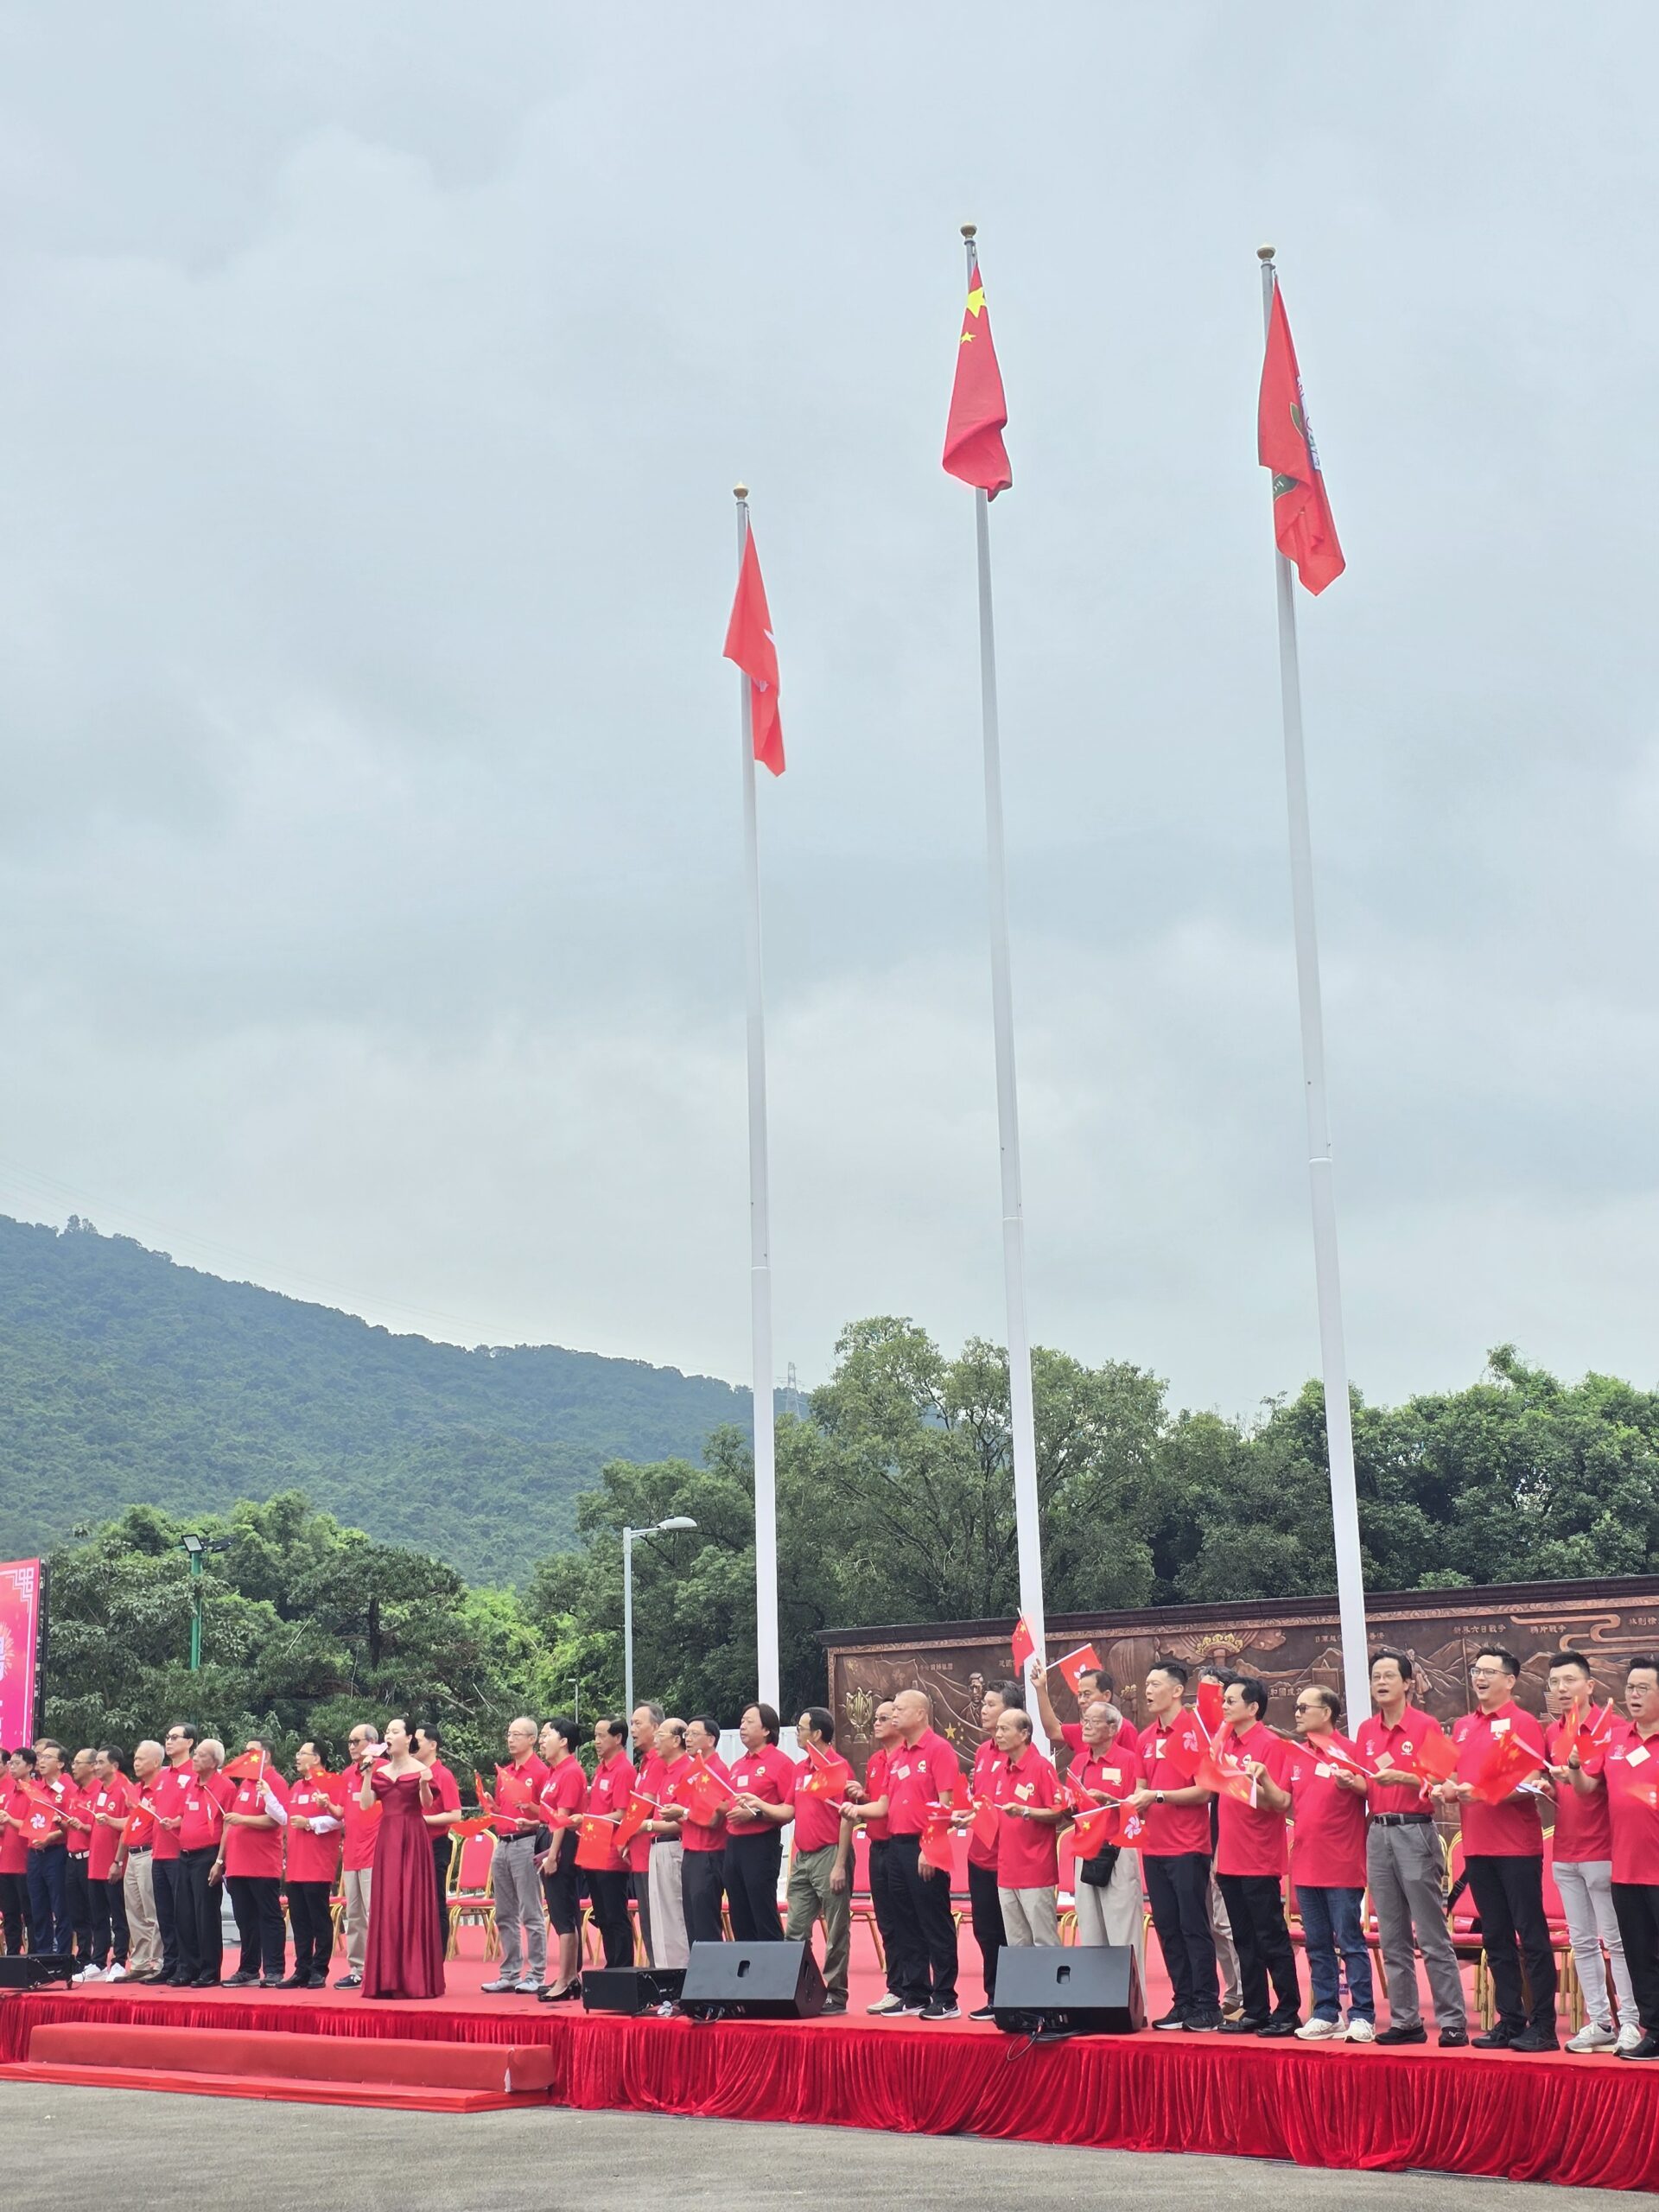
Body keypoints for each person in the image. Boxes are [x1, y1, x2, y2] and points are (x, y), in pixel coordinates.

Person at [1438, 1645, 1557, 2050]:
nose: (1480, 1677)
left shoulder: (1522, 1723)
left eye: (1489, 1671)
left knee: (1532, 1936)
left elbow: (1530, 1782)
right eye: (1476, 1670)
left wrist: (1483, 1793)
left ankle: (1542, 2025)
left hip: (1517, 1848)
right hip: (1478, 1847)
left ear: (1511, 1679)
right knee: (1497, 1939)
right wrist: (1450, 1789)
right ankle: (1510, 2020)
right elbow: (1455, 1775)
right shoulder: (1463, 1726)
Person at [1357, 1648, 1467, 2046]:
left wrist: (1403, 1779)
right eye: (1375, 1677)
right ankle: (1405, 2020)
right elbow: (1365, 1781)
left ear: (1407, 1683)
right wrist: (1345, 1779)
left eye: (1389, 1676)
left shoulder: (1425, 1725)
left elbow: (1442, 1779)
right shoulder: (1366, 1731)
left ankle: (1452, 2020)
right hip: (1378, 1832)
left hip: (1414, 1829)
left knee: (1432, 1933)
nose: (1381, 1683)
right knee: (1391, 1934)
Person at [1544, 1650, 1641, 2053]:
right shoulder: (1553, 1732)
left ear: (1590, 1685)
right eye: (1554, 1683)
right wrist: (1549, 1788)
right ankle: (1599, 2020)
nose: (1561, 1689)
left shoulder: (1615, 1729)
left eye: (1569, 1681)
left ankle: (1633, 2022)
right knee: (1581, 1942)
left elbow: (1598, 1789)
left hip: (1604, 1850)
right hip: (1565, 1850)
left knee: (1617, 1942)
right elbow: (1568, 1792)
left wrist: (1577, 1773)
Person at [1567, 1655, 1659, 2061]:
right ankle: (1653, 2031)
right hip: (1625, 1869)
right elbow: (1589, 1787)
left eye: (1643, 1688)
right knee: (1640, 1956)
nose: (1633, 1695)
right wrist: (1573, 1768)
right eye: (1630, 1688)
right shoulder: (1618, 1739)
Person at [1280, 1686, 1375, 2044]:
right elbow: (1285, 1801)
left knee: (1350, 1942)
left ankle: (1362, 2015)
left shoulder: (1348, 1752)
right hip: (1305, 1863)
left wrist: (1354, 1783)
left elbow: (1372, 1791)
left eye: (1304, 1707)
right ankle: (1325, 2012)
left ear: (1327, 1713)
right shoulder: (1298, 1755)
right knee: (1317, 1944)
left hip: (1342, 1865)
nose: (1298, 1713)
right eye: (1296, 1706)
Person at [1133, 1660, 1220, 2032]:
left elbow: (1205, 1790)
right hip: (1154, 1849)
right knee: (1167, 1928)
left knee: (1193, 1926)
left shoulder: (1194, 1731)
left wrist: (1159, 1796)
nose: (1148, 1691)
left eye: (1155, 1684)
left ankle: (1207, 2004)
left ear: (1176, 1691)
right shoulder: (1144, 1737)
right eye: (1146, 1684)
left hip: (1188, 1846)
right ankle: (1182, 2002)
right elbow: (1140, 1790)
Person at [1212, 1675, 1300, 2036]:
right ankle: (1255, 2008)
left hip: (1258, 1857)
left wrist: (1256, 1781)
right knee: (1242, 1938)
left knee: (1270, 1937)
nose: (1224, 1705)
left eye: (1231, 1700)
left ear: (1253, 1707)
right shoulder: (1224, 1743)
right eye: (1224, 1700)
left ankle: (1288, 2009)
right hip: (1229, 1856)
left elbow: (1279, 1803)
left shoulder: (1270, 1745)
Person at [884, 1688, 963, 2020]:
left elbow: (945, 1803)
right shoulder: (898, 1755)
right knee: (905, 1924)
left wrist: (929, 1848)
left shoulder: (938, 1749)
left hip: (924, 1845)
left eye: (900, 1708)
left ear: (920, 1713)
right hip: (896, 1846)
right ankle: (915, 1992)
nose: (894, 1714)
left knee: (934, 1922)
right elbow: (890, 1802)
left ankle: (946, 1996)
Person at [361, 1719, 446, 1999]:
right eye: (387, 1731)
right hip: (388, 1837)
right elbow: (365, 1804)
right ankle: (385, 1977)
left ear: (409, 1738)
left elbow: (426, 1804)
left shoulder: (422, 1769)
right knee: (387, 1903)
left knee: (412, 1900)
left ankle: (414, 1977)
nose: (389, 1735)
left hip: (413, 1835)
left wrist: (423, 1784)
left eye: (395, 1731)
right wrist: (365, 1773)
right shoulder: (380, 1771)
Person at [1067, 1699, 1146, 1980]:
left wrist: (1113, 1801)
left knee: (1124, 1932)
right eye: (1084, 1720)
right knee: (1090, 1931)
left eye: (1093, 1721)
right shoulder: (1078, 1762)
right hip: (1086, 1851)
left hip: (1118, 1850)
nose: (1085, 1726)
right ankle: (1097, 2002)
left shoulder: (1129, 1760)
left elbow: (1140, 1808)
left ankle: (1134, 2005)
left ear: (1113, 1728)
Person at [782, 1707, 854, 2012]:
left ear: (817, 1734)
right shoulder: (800, 1769)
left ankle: (836, 1993)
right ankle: (800, 1988)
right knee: (795, 1928)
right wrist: (757, 1806)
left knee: (836, 1927)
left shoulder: (837, 1767)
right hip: (803, 1857)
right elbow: (788, 1811)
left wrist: (839, 1863)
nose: (797, 1732)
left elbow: (847, 1818)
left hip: (829, 1854)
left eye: (801, 1728)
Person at [842, 1700, 911, 2015]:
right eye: (877, 1718)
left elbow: (891, 1805)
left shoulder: (906, 1757)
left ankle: (915, 1988)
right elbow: (878, 1802)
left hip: (902, 1846)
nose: (877, 1722)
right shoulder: (875, 1760)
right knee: (887, 1923)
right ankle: (896, 1988)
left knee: (907, 1920)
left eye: (885, 1717)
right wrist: (862, 1797)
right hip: (878, 1848)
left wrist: (860, 1808)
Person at [962, 1681, 1020, 2018]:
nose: (983, 1710)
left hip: (1008, 1859)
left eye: (990, 1704)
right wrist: (965, 1815)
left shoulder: (1021, 1755)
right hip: (979, 1854)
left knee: (1010, 1929)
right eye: (983, 1704)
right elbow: (983, 1802)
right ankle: (995, 1995)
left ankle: (1016, 1995)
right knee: (985, 1929)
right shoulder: (983, 1752)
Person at [481, 1716, 550, 1994]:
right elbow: (503, 1808)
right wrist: (491, 1805)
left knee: (530, 1911)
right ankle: (510, 1972)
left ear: (532, 1739)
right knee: (504, 1912)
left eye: (517, 1735)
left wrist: (532, 1818)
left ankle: (536, 1973)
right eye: (509, 1734)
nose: (511, 1739)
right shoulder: (505, 1772)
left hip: (526, 1842)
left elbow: (548, 1815)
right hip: (503, 1842)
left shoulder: (542, 1771)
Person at [989, 1707, 1065, 1949]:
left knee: (1044, 1942)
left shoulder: (1040, 1767)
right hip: (1006, 1871)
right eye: (997, 1729)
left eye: (1004, 1729)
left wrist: (1025, 1811)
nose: (997, 1734)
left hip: (1035, 1872)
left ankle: (1053, 1988)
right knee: (1017, 1943)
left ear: (1023, 1734)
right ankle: (1025, 1989)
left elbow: (1058, 1813)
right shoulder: (1001, 1770)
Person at [1192, 1664, 1243, 2017]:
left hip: (1231, 1841)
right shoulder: (1198, 1733)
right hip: (1201, 1840)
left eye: (1216, 1694)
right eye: (1203, 1693)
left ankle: (1243, 1994)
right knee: (1212, 1923)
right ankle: (1231, 1991)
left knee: (1227, 1923)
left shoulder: (1232, 1738)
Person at [218, 1739, 289, 1987]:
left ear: (265, 1755)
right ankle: (248, 1968)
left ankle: (274, 1969)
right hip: (238, 1863)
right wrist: (222, 1859)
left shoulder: (274, 1782)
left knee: (268, 1916)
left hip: (261, 1862)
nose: (247, 1755)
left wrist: (242, 1819)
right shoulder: (246, 1784)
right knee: (244, 1919)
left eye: (252, 1752)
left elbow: (274, 1821)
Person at [725, 1702, 795, 1942]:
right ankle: (746, 1971)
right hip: (734, 1844)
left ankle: (773, 1971)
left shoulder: (781, 1763)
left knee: (762, 1910)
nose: (742, 1726)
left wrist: (756, 1814)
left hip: (761, 1844)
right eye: (742, 1722)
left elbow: (789, 1810)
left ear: (766, 1729)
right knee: (739, 1913)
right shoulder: (737, 1765)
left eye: (749, 1722)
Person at [536, 1716, 588, 2001]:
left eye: (547, 1735)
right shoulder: (553, 1772)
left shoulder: (570, 1772)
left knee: (564, 1913)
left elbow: (563, 1818)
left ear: (564, 1740)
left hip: (563, 1841)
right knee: (558, 1911)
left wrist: (553, 1855)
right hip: (550, 1837)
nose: (542, 1741)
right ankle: (566, 1976)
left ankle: (568, 1978)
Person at [283, 1743, 342, 1989]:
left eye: (302, 1754)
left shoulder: (332, 1783)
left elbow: (339, 1819)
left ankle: (319, 1969)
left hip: (317, 1863)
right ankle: (302, 1969)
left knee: (319, 1919)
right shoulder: (296, 1787)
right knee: (299, 1920)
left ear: (316, 1758)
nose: (297, 1757)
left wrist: (309, 1822)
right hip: (296, 1863)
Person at [176, 1738, 233, 1986]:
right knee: (185, 1914)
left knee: (205, 1915)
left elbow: (228, 1825)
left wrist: (219, 1861)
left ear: (214, 1762)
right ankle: (189, 1967)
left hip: (207, 1856)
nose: (195, 1759)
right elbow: (187, 1815)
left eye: (200, 1755)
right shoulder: (192, 1784)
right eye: (195, 1754)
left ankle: (210, 1970)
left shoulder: (225, 1787)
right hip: (184, 1854)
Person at [673, 1713, 729, 1952]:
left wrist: (685, 1813)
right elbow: (678, 1803)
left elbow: (714, 1817)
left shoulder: (717, 1770)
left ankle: (713, 1982)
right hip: (690, 1850)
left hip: (709, 1853)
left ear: (711, 1739)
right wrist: (681, 1812)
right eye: (687, 1734)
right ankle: (699, 1976)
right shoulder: (693, 1770)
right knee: (692, 1920)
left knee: (706, 1922)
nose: (688, 1739)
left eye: (695, 1734)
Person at [149, 1723, 199, 1984]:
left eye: (174, 1737)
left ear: (189, 1742)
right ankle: (169, 1963)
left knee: (182, 1914)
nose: (168, 1742)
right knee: (164, 1914)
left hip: (180, 1853)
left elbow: (195, 1809)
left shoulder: (194, 1773)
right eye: (166, 1737)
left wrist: (177, 1821)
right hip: (158, 1853)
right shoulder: (162, 1775)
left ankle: (185, 1965)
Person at [586, 1716, 637, 1968]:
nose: (596, 1741)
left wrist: (589, 1819)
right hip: (594, 1847)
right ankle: (611, 1965)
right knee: (602, 1915)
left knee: (615, 1914)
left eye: (601, 1736)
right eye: (595, 1736)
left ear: (617, 1738)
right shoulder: (600, 1769)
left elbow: (622, 1812)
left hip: (611, 1851)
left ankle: (622, 1967)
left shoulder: (624, 1770)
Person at [643, 1716, 692, 1974]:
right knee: (659, 1915)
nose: (655, 1740)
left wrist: (648, 1826)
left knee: (675, 1914)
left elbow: (684, 1820)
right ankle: (664, 1975)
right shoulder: (665, 1771)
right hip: (657, 1847)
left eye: (660, 1735)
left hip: (674, 1846)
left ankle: (680, 1975)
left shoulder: (687, 1770)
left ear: (676, 1740)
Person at [334, 1722, 379, 1989]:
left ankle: (379, 1966)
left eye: (356, 1741)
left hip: (375, 1852)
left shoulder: (383, 1770)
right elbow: (343, 1811)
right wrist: (327, 1806)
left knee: (375, 1912)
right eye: (349, 1742)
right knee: (354, 1914)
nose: (352, 1746)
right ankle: (357, 1968)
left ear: (372, 1742)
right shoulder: (347, 1773)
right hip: (352, 1854)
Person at [85, 1746, 134, 1982]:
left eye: (100, 1762)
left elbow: (130, 1827)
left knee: (119, 1917)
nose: (96, 1767)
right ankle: (98, 1962)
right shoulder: (99, 1792)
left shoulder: (125, 1789)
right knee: (98, 1917)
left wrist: (118, 1861)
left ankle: (120, 1961)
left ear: (114, 1765)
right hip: (95, 1864)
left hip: (114, 1865)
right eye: (95, 1763)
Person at [118, 1739, 163, 1982]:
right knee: (134, 1910)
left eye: (141, 1759)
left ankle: (158, 1961)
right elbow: (128, 1825)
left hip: (150, 1853)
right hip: (133, 1855)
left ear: (156, 1762)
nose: (135, 1763)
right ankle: (140, 1962)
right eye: (135, 1758)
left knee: (152, 1909)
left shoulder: (161, 1788)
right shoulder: (137, 1789)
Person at [1031, 1661, 1141, 1760]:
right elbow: (1053, 1731)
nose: (1081, 1701)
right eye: (1080, 1695)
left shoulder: (1124, 1729)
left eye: (1087, 1695)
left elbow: (1133, 1771)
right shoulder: (1083, 1729)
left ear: (1106, 1695)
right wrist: (1040, 1688)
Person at [24, 1740, 74, 1956]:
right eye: (40, 1757)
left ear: (61, 1764)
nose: (41, 1761)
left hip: (57, 1852)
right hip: (35, 1853)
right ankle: (43, 1955)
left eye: (47, 1758)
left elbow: (71, 1825)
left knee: (60, 1906)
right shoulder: (36, 1788)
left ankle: (62, 1957)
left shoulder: (69, 1788)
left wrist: (49, 1837)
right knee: (38, 1907)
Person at [415, 1726, 463, 1948]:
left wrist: (424, 1821)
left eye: (418, 1741)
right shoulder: (410, 1773)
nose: (414, 1746)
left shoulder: (443, 1775)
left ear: (433, 1745)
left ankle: (438, 1955)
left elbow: (455, 1814)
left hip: (435, 1844)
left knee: (434, 1903)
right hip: (413, 1845)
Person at [627, 1703, 668, 1966]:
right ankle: (654, 1970)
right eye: (631, 1723)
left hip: (651, 1850)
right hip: (639, 1850)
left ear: (656, 1728)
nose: (633, 1729)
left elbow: (645, 1807)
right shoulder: (644, 1764)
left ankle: (660, 1973)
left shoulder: (658, 1763)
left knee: (656, 1918)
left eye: (638, 1723)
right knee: (647, 1917)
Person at [62, 1749, 97, 1970]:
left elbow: (100, 1829)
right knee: (76, 1912)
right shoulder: (75, 1794)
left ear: (92, 1766)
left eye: (77, 1762)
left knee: (93, 1910)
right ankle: (83, 1956)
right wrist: (61, 1823)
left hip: (89, 1859)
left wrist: (83, 1826)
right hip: (71, 1858)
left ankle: (97, 1957)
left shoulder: (98, 1794)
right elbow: (69, 1827)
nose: (73, 1767)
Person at [0, 1750, 35, 1954]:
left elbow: (33, 1826)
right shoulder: (13, 1793)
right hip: (6, 1862)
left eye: (15, 1763)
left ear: (30, 1767)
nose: (12, 1767)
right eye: (11, 1763)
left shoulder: (32, 1792)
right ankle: (12, 1956)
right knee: (10, 1914)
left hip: (25, 1861)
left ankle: (35, 1955)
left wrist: (9, 1820)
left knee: (29, 1914)